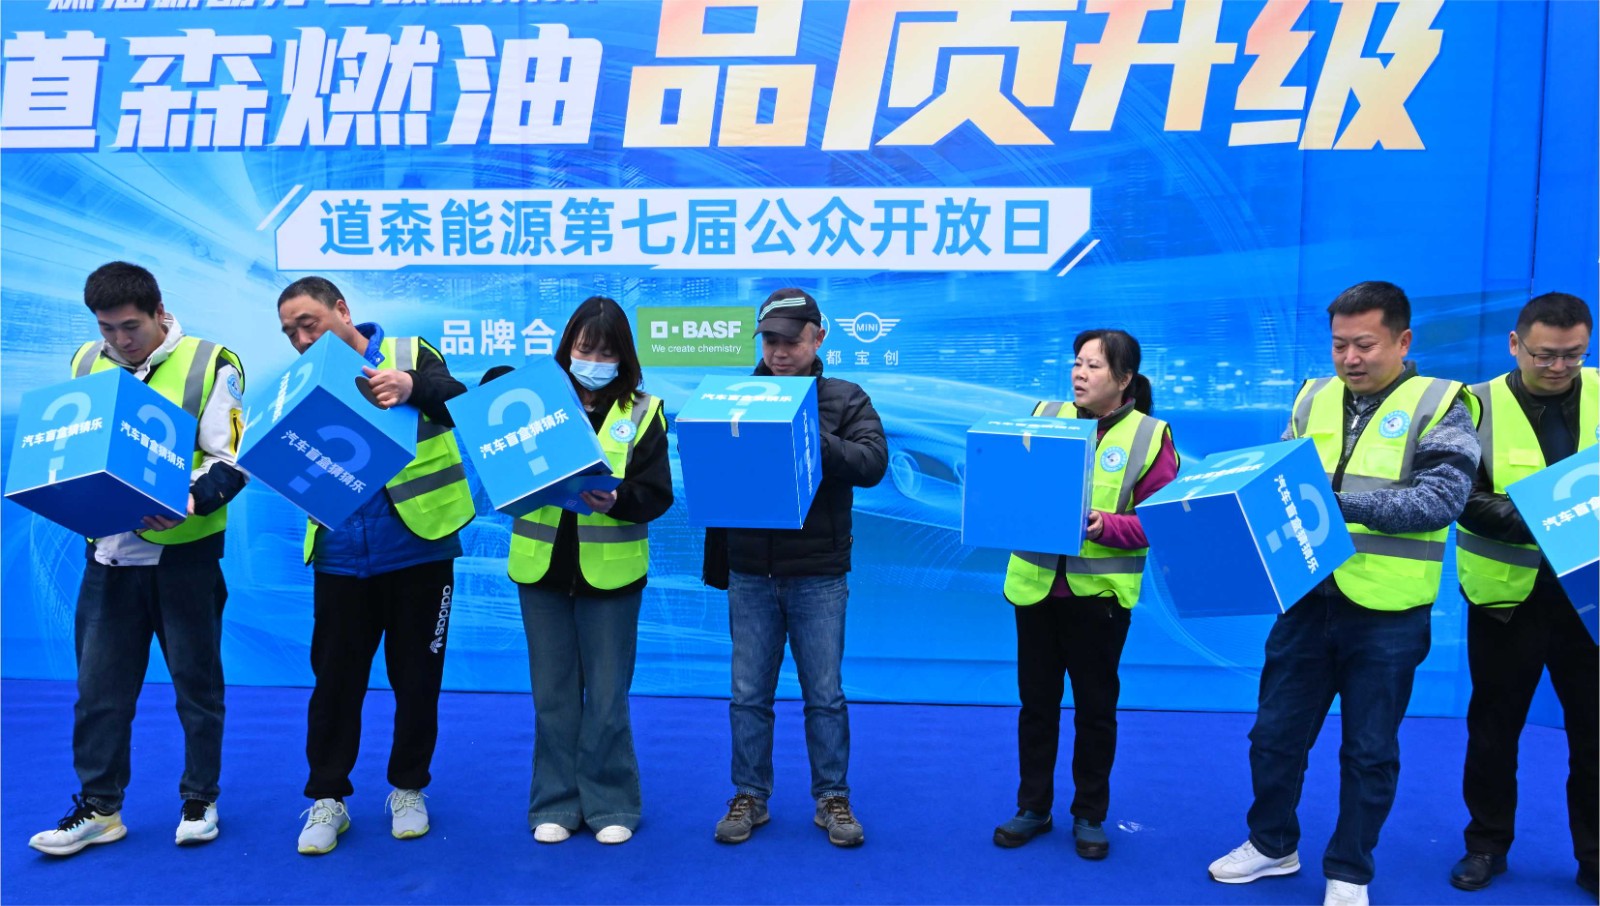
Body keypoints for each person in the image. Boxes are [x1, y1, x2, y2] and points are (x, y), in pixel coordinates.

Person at [1208, 281, 1480, 906]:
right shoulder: (1311, 397)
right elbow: (1275, 479)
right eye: (1339, 345)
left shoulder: (1441, 404)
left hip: (1388, 614)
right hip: (1306, 598)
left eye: (1365, 345)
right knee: (1274, 737)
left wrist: (1334, 505)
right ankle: (1272, 844)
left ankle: (1350, 870)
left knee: (1369, 751)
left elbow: (1441, 501)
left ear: (1402, 341)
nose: (1350, 358)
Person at [29, 262, 247, 856]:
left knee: (197, 689)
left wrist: (190, 500)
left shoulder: (211, 362)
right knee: (98, 694)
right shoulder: (85, 362)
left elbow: (230, 461)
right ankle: (101, 809)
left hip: (185, 559)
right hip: (108, 559)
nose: (120, 340)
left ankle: (199, 799)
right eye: (107, 328)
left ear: (159, 313)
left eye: (131, 326)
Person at [276, 277, 475, 855]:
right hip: (340, 556)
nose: (300, 339)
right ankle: (327, 798)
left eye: (309, 323)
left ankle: (408, 788)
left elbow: (457, 400)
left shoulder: (410, 352)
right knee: (335, 684)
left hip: (420, 548)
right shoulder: (298, 382)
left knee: (418, 680)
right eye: (289, 332)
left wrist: (411, 385)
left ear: (342, 310)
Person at [702, 288, 887, 848]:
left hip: (819, 574)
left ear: (818, 338)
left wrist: (810, 431)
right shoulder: (733, 398)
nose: (779, 352)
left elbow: (872, 463)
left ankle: (833, 797)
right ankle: (749, 796)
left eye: (791, 341)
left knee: (824, 694)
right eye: (770, 341)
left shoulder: (845, 397)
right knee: (747, 694)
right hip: (750, 571)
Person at [493, 298, 672, 846]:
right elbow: (491, 403)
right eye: (583, 348)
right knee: (553, 696)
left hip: (611, 577)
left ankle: (611, 802)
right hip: (541, 570)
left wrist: (617, 499)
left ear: (624, 356)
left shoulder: (643, 411)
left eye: (605, 351)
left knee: (609, 698)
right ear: (567, 347)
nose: (592, 361)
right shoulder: (536, 401)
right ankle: (555, 802)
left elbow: (656, 495)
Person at [993, 329, 1179, 859]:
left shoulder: (1149, 436)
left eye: (1094, 366)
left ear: (1124, 379)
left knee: (1095, 711)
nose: (1079, 373)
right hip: (1034, 590)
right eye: (1077, 363)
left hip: (1098, 599)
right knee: (1036, 706)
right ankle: (1033, 807)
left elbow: (1161, 522)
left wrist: (1106, 526)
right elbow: (1012, 488)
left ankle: (1090, 813)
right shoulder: (1043, 416)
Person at [1449, 291, 1596, 896]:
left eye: (1573, 355)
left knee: (1595, 734)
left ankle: (1594, 857)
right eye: (1545, 355)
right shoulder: (1472, 405)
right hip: (1506, 599)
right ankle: (1485, 845)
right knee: (1493, 730)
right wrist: (1553, 518)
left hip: (1591, 596)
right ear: (1515, 344)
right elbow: (1461, 497)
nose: (1559, 367)